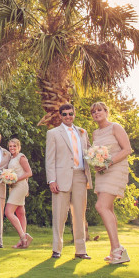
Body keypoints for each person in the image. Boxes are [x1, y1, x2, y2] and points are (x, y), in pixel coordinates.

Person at [45, 104, 92, 259]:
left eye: (70, 114)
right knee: (59, 215)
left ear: (74, 114)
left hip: (80, 176)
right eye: (64, 114)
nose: (68, 117)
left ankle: (81, 250)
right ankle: (57, 249)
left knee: (79, 214)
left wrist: (101, 159)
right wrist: (52, 180)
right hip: (61, 178)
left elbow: (90, 152)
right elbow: (50, 159)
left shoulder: (82, 132)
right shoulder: (53, 133)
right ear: (60, 116)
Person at [90, 101, 132, 264]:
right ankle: (113, 249)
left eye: (99, 110)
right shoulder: (95, 133)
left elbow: (127, 150)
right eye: (93, 112)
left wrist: (108, 163)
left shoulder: (115, 127)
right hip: (102, 173)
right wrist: (97, 164)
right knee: (109, 209)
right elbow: (96, 154)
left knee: (100, 206)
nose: (96, 113)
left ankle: (118, 250)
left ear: (106, 112)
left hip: (116, 169)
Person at [5, 138, 33, 248]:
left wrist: (16, 180)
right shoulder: (12, 157)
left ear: (19, 147)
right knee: (20, 213)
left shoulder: (21, 157)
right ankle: (22, 242)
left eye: (14, 146)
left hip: (20, 186)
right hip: (14, 186)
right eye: (10, 146)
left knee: (8, 212)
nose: (12, 148)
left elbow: (29, 172)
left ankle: (23, 236)